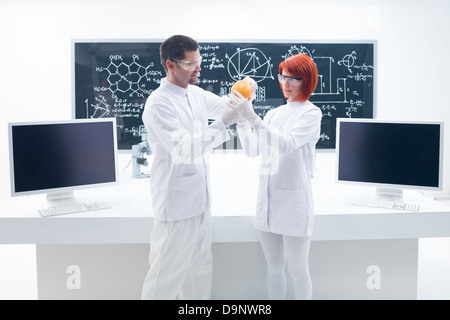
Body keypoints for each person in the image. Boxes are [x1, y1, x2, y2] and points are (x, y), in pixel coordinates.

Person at [140, 35, 241, 300]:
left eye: (199, 61)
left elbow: (227, 106)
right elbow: (184, 150)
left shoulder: (194, 93)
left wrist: (244, 93)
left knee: (199, 271)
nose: (198, 67)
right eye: (191, 62)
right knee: (165, 276)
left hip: (200, 201)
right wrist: (221, 124)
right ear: (171, 65)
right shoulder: (159, 103)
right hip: (175, 205)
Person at [229, 54, 322, 300]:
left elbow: (285, 144)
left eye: (294, 78)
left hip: (294, 202)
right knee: (273, 267)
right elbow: (252, 150)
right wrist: (241, 121)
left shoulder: (312, 114)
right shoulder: (274, 113)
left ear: (308, 81)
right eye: (283, 77)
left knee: (298, 269)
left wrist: (251, 117)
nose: (286, 83)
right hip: (268, 200)